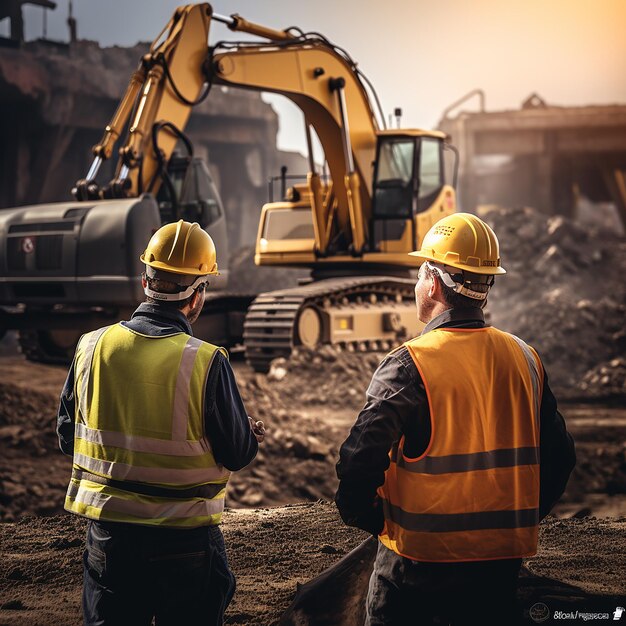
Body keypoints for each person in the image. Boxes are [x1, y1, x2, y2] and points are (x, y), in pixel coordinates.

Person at [335, 212, 575, 626]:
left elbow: (357, 467)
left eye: (418, 273)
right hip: (500, 568)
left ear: (431, 280)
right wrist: (513, 521)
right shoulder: (525, 359)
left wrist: (379, 522)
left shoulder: (408, 365)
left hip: (416, 568)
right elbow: (561, 459)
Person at [57, 220, 265, 626]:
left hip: (110, 537)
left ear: (144, 280)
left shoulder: (91, 346)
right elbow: (237, 453)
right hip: (184, 538)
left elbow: (70, 438)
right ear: (198, 295)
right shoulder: (206, 360)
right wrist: (249, 435)